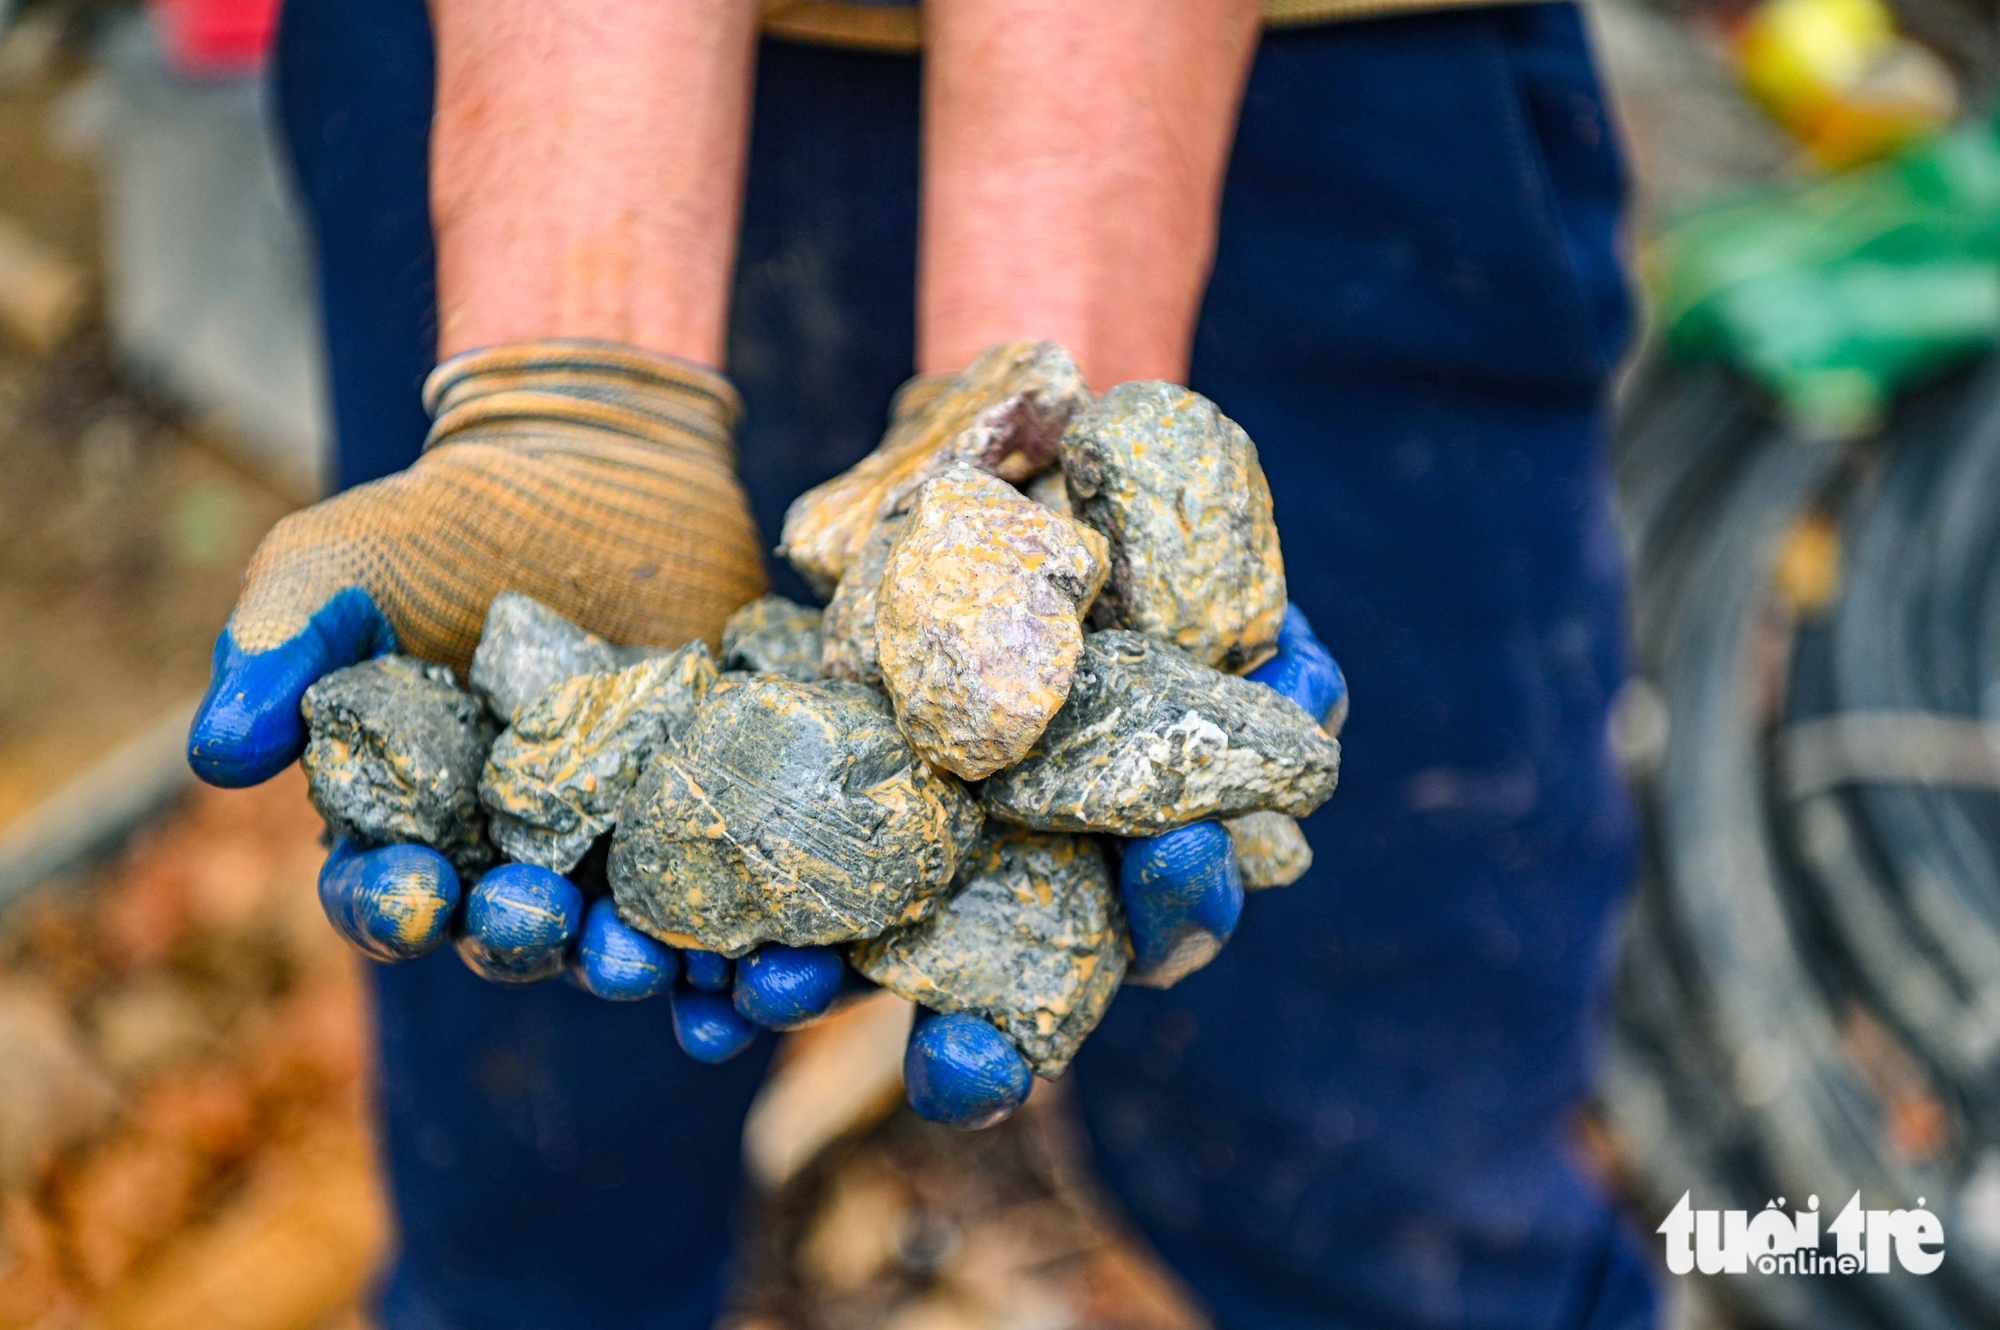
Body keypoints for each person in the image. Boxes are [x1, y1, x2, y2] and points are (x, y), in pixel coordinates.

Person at [185, 0, 1653, 1326]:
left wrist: (1041, 397)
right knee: (535, 1204)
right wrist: (575, 377)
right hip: (537, 77)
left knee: (1394, 1199)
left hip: (1324, 84)